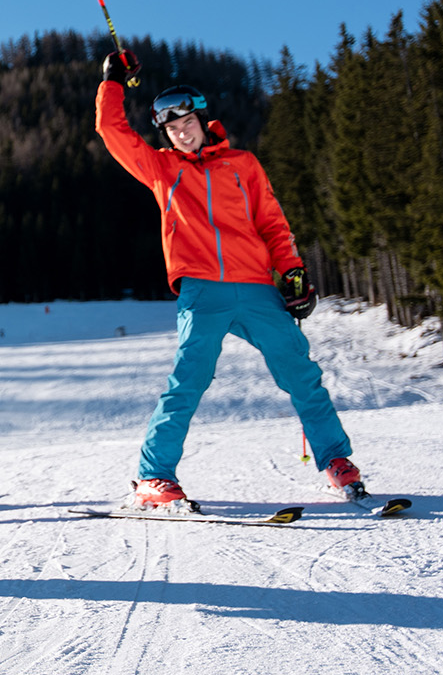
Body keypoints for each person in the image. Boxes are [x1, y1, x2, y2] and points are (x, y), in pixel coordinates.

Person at [96, 51, 365, 509]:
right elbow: (112, 131)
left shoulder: (243, 165)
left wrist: (293, 271)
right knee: (188, 380)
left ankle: (336, 462)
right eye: (171, 129)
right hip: (201, 291)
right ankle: (153, 477)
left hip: (258, 287)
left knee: (302, 375)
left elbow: (272, 223)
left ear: (202, 120)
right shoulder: (163, 169)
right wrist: (113, 82)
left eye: (186, 123)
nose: (180, 133)